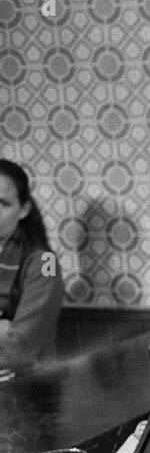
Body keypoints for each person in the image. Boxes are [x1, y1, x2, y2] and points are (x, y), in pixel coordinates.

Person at [0, 159, 62, 370]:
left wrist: (8, 332)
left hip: (31, 387)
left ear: (24, 209)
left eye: (2, 204)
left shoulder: (46, 262)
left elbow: (19, 349)